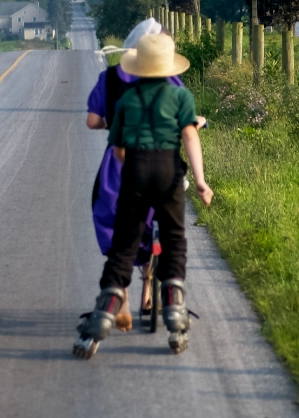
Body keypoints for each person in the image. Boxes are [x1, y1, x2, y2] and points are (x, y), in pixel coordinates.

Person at [74, 33, 213, 359]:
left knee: (124, 245)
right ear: (167, 66)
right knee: (174, 238)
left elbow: (118, 148)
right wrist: (202, 182)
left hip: (134, 169)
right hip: (168, 170)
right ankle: (175, 311)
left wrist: (135, 170)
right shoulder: (180, 95)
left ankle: (104, 314)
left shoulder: (126, 101)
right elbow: (190, 135)